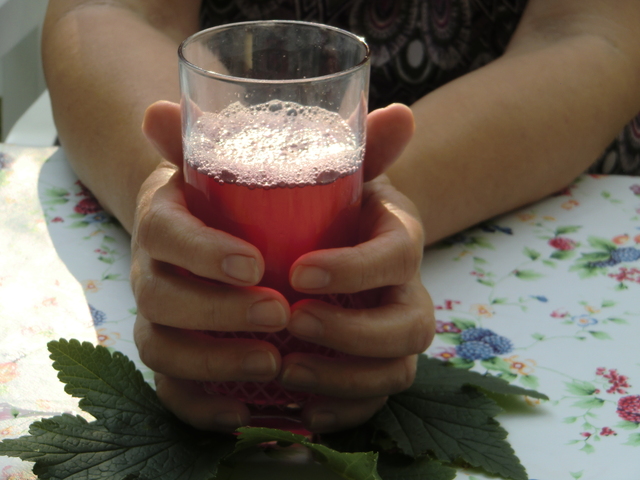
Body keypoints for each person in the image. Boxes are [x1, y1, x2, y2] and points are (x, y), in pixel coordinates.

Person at [41, 0, 640, 433]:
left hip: (527, 185)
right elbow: (100, 11)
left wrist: (380, 197)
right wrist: (161, 187)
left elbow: (593, 36)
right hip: (165, 159)